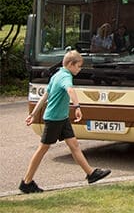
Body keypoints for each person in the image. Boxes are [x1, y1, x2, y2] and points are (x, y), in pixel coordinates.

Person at [19, 50, 111, 194]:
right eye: (79, 66)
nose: (79, 70)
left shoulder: (57, 75)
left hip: (61, 118)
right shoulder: (65, 77)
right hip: (54, 119)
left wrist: (33, 114)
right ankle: (27, 182)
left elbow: (45, 96)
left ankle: (91, 174)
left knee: (74, 145)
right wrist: (77, 107)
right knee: (42, 149)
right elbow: (70, 90)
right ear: (70, 64)